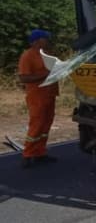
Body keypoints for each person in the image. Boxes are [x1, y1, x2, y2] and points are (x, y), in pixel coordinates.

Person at [17, 29, 59, 168]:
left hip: (50, 95)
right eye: (45, 38)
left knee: (46, 125)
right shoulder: (27, 56)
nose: (48, 41)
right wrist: (47, 74)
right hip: (37, 96)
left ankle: (40, 153)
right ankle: (28, 155)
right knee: (37, 125)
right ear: (37, 41)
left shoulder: (47, 55)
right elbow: (24, 78)